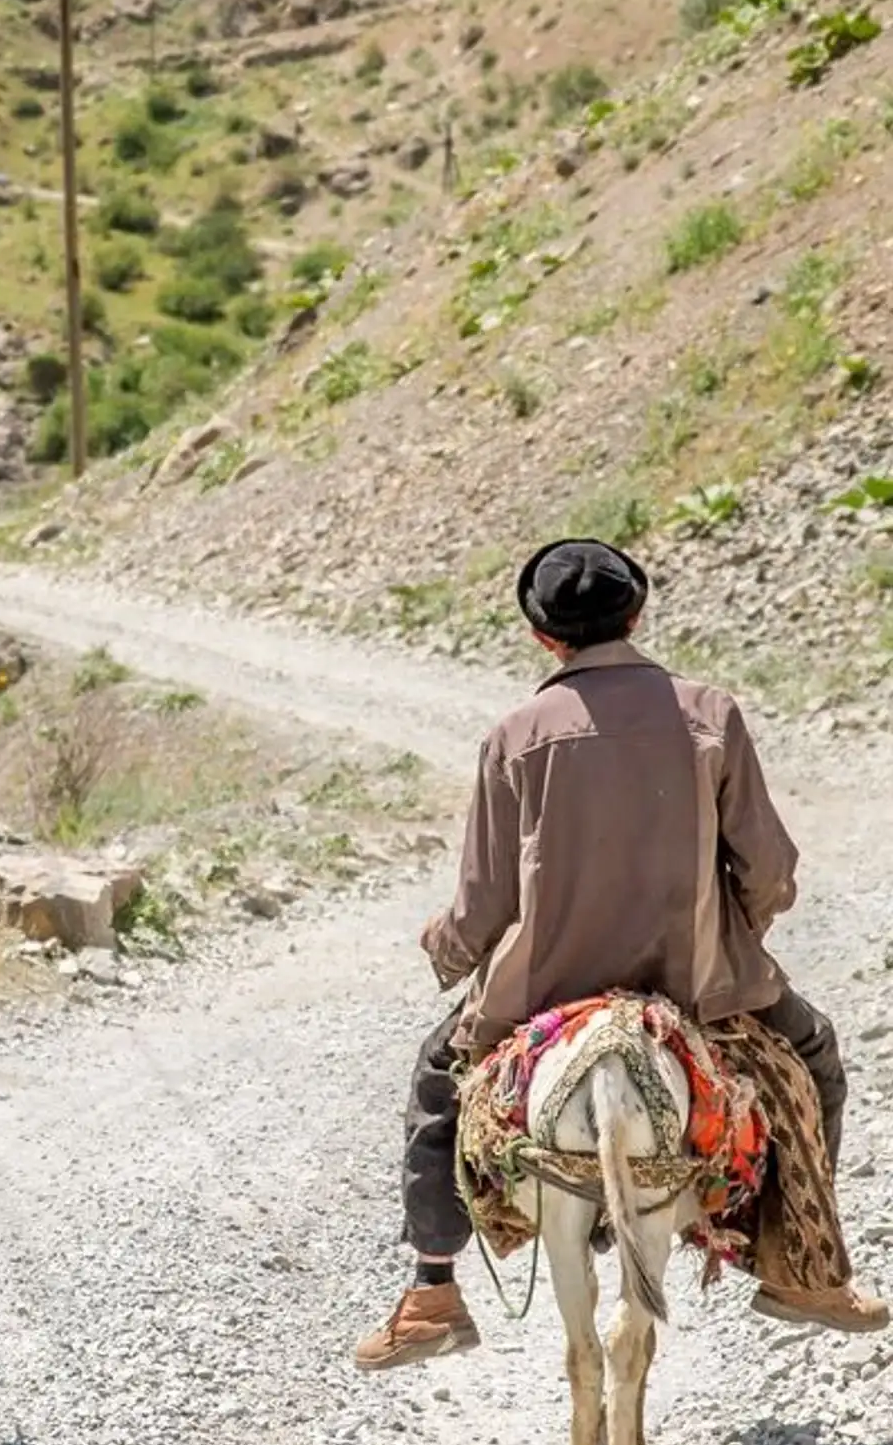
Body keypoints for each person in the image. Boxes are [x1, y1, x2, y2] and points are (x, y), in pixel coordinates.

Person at [356, 538, 887, 1372]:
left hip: (542, 989)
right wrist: (737, 933)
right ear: (637, 614)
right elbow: (771, 868)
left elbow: (485, 903)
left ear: (542, 637)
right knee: (813, 1058)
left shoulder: (514, 737)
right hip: (701, 984)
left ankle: (432, 1292)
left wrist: (446, 947)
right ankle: (802, 1267)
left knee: (435, 1082)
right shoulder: (710, 713)